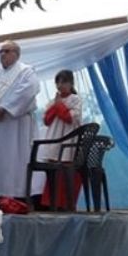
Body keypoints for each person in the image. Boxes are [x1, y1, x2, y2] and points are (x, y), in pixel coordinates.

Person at [0, 40, 40, 198]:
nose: (2, 54)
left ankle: (18, 194)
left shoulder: (26, 72)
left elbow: (28, 91)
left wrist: (4, 108)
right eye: (0, 51)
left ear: (16, 54)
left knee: (17, 158)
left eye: (7, 51)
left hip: (17, 124)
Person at [39, 70, 82, 209]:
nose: (60, 85)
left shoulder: (75, 99)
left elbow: (70, 118)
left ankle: (67, 204)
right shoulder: (53, 101)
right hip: (54, 139)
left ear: (71, 83)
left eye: (64, 82)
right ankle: (51, 203)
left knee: (66, 172)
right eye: (58, 82)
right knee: (53, 172)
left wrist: (59, 106)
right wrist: (56, 105)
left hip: (68, 141)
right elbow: (47, 120)